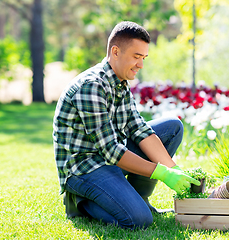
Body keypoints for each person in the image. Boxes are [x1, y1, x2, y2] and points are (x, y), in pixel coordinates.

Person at [53, 21, 200, 229]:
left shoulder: (120, 82)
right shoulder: (91, 87)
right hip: (85, 168)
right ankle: (82, 203)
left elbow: (139, 130)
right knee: (138, 221)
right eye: (136, 57)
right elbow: (111, 151)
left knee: (172, 127)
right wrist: (162, 173)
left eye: (144, 58)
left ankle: (140, 200)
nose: (141, 64)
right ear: (115, 51)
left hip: (109, 160)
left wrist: (175, 171)